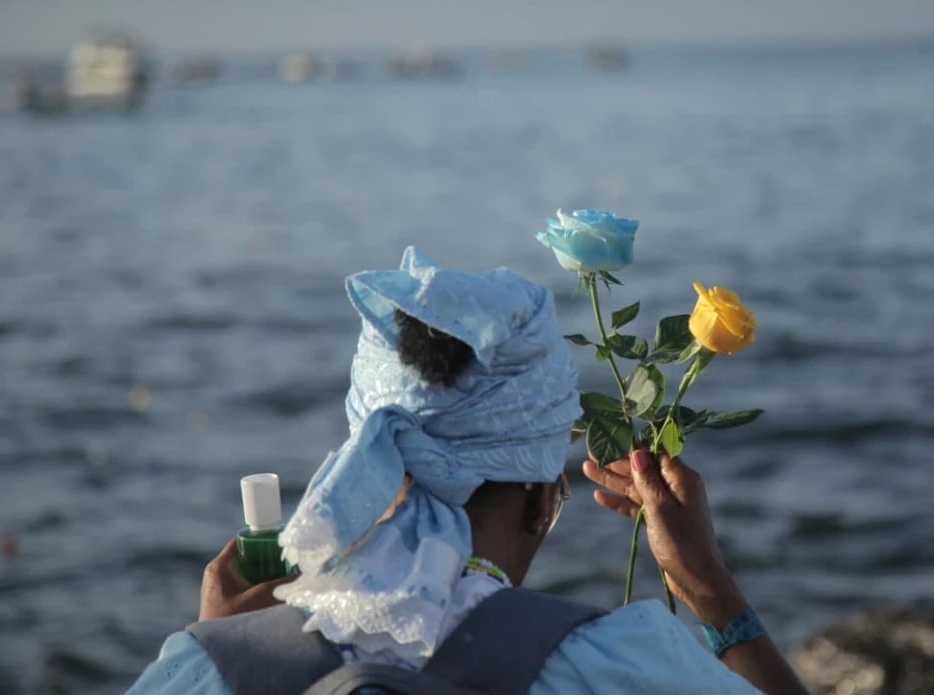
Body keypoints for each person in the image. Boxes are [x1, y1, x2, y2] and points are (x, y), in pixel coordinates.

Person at [125, 247, 807, 695]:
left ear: (370, 468)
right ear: (543, 499)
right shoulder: (618, 663)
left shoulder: (204, 668)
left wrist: (219, 646)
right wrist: (708, 586)